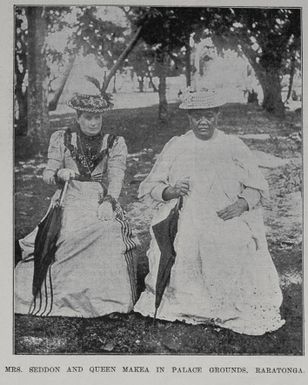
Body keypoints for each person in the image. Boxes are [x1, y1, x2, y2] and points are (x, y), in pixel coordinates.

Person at [134, 90, 285, 336]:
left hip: (224, 214)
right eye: (196, 117)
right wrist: (171, 190)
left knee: (227, 243)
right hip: (187, 216)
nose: (203, 122)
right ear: (189, 119)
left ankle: (225, 304)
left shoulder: (232, 145)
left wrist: (242, 204)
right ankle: (193, 304)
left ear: (217, 116)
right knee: (190, 246)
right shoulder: (178, 146)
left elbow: (257, 186)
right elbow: (150, 187)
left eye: (209, 116)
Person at [15, 92, 137, 317]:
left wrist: (109, 201)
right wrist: (59, 173)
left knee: (108, 230)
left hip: (97, 198)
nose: (93, 123)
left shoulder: (114, 142)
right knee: (65, 237)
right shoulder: (62, 138)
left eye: (97, 118)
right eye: (88, 118)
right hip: (68, 198)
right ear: (78, 118)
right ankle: (65, 294)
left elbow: (117, 176)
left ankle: (103, 298)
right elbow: (47, 174)